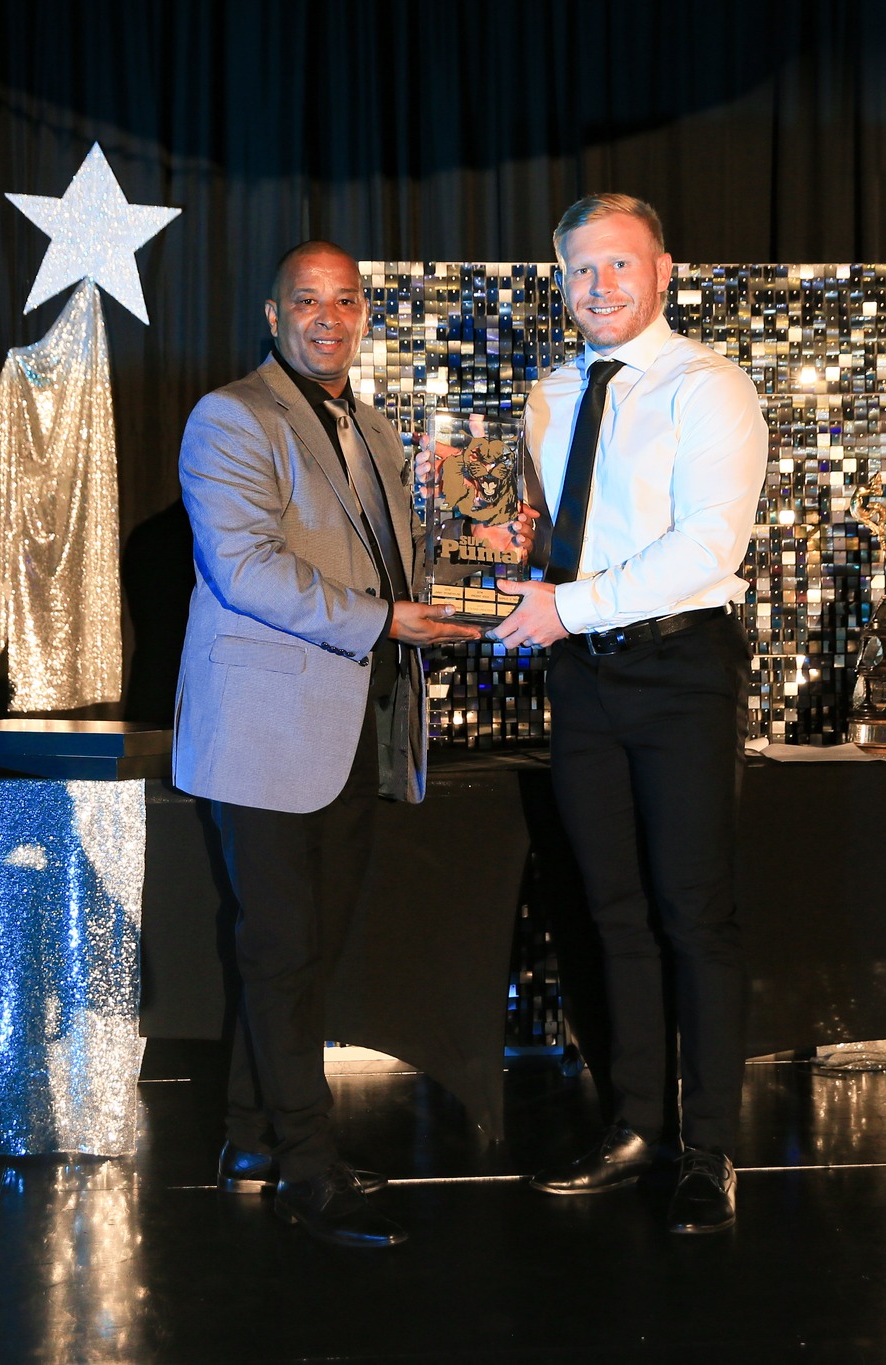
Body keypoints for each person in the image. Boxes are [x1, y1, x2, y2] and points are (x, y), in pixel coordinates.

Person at [173, 240, 479, 1248]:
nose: (327, 318)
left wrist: (479, 555)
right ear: (273, 315)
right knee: (279, 950)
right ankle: (308, 1167)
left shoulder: (374, 429)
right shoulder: (232, 417)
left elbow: (395, 563)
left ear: (361, 316)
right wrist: (387, 619)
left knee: (307, 951)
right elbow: (246, 570)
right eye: (306, 300)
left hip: (354, 726)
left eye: (344, 301)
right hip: (264, 726)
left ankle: (249, 1136)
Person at [492, 194, 769, 1235]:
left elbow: (706, 548)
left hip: (679, 669)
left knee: (693, 913)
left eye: (619, 264)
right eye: (580, 268)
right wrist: (486, 532)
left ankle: (710, 1150)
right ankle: (637, 1123)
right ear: (560, 280)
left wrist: (563, 608)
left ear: (663, 271)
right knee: (611, 911)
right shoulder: (550, 394)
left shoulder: (708, 386)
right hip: (582, 678)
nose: (599, 285)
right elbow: (552, 540)